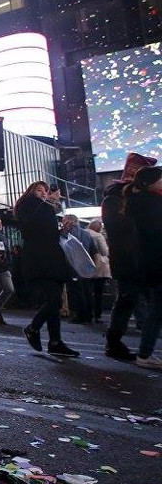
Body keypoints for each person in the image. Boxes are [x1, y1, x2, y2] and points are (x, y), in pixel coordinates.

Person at [102, 152, 156, 360]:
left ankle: (120, 342)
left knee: (135, 300)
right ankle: (115, 342)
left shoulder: (130, 197)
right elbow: (120, 228)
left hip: (139, 258)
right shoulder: (116, 198)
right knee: (128, 300)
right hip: (128, 259)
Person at [16, 182, 80, 357]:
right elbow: (32, 227)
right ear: (30, 192)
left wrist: (62, 231)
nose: (44, 193)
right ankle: (33, 328)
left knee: (55, 300)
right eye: (40, 190)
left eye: (45, 191)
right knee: (54, 301)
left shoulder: (45, 208)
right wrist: (48, 204)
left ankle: (55, 341)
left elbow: (47, 233)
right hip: (40, 260)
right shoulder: (28, 206)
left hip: (51, 258)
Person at [122, 165, 162, 369]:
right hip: (157, 263)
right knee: (155, 311)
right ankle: (145, 354)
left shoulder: (140, 202)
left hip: (150, 264)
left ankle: (145, 353)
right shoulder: (151, 203)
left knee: (155, 310)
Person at [62, 214, 95, 323]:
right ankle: (89, 314)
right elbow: (93, 250)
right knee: (87, 291)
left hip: (75, 266)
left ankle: (80, 315)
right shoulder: (87, 233)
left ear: (68, 221)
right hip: (86, 266)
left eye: (64, 221)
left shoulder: (70, 233)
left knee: (77, 292)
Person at [86, 218, 110, 323]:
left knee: (86, 291)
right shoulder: (98, 236)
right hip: (99, 267)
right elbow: (105, 251)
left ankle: (87, 313)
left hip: (85, 265)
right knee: (98, 293)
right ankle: (97, 315)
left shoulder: (84, 233)